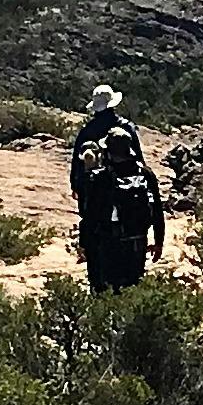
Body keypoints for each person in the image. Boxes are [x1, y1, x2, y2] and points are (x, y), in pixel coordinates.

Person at [67, 84, 164, 292]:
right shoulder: (126, 128)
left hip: (97, 199)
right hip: (133, 216)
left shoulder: (88, 131)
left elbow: (77, 164)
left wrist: (76, 186)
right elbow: (139, 158)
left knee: (98, 246)